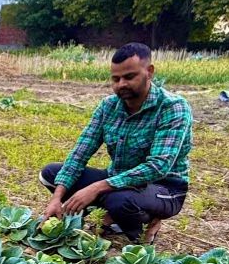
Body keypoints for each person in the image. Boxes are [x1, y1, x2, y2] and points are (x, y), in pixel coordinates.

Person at [40, 42, 191, 244]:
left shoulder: (172, 107)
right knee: (51, 174)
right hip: (118, 179)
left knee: (119, 200)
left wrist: (96, 188)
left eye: (129, 77)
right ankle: (112, 216)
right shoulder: (108, 106)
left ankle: (145, 224)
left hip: (164, 188)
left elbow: (158, 166)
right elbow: (80, 153)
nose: (121, 84)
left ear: (149, 72)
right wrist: (56, 198)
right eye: (115, 79)